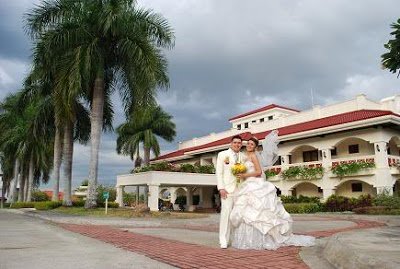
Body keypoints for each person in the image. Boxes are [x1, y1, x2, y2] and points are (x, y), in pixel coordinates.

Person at [230, 136, 315, 250]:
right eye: (248, 144)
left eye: (252, 144)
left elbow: (259, 172)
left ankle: (265, 239)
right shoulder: (244, 156)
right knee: (245, 211)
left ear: (255, 147)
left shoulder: (254, 156)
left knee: (260, 212)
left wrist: (244, 175)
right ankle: (248, 240)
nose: (249, 146)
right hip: (246, 185)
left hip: (255, 184)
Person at [216, 135, 244, 249]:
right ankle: (223, 240)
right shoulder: (222, 155)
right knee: (226, 215)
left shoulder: (243, 156)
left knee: (238, 216)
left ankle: (236, 239)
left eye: (239, 143)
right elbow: (219, 173)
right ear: (231, 143)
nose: (237, 144)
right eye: (235, 142)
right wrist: (221, 188)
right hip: (227, 190)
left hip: (240, 190)